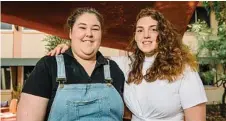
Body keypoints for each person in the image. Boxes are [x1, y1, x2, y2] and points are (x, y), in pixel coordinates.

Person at [48, 8, 208, 121]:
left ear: (163, 34)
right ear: (135, 36)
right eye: (140, 30)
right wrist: (70, 48)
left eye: (153, 29)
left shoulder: (184, 71)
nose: (146, 35)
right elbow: (90, 54)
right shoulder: (126, 65)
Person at [17, 7, 125, 121]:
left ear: (101, 35)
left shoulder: (113, 69)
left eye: (95, 29)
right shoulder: (49, 66)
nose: (89, 33)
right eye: (82, 27)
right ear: (70, 33)